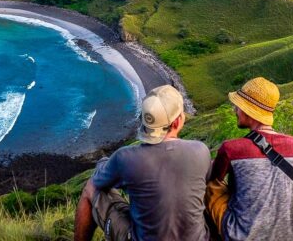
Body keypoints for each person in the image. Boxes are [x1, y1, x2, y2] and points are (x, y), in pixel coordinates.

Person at [74, 85, 211, 241]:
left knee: (90, 187)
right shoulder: (201, 150)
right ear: (177, 121)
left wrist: (104, 162)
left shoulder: (126, 157)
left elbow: (99, 179)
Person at [206, 77, 293, 241]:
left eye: (238, 107)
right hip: (287, 233)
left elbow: (214, 179)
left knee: (210, 187)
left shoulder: (232, 148)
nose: (235, 110)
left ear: (247, 111)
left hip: (241, 236)